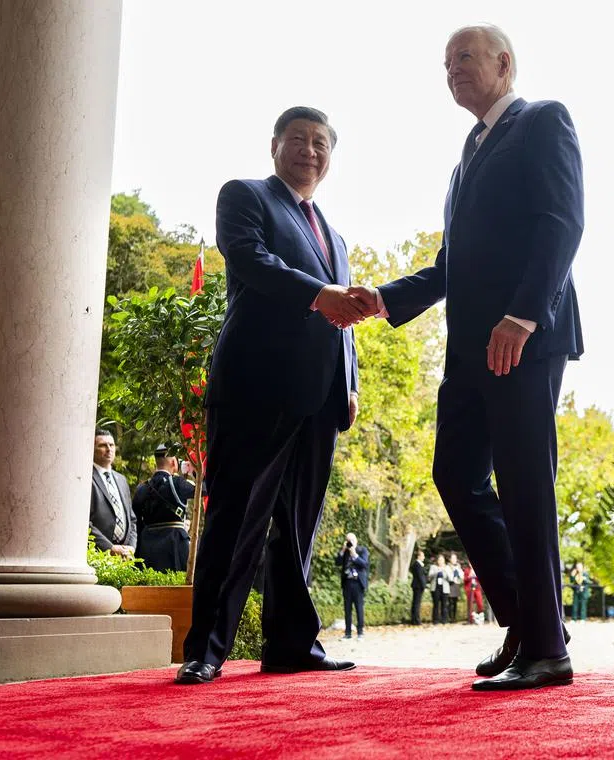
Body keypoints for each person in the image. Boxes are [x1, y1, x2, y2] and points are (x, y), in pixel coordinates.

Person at [352, 23, 584, 691]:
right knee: (455, 474)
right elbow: (450, 265)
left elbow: (562, 220)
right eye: (445, 62)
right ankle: (528, 620)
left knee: (525, 486)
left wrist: (523, 314)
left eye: (464, 58)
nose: (452, 69)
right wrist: (383, 298)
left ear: (505, 64)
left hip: (523, 339)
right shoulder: (466, 154)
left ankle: (547, 651)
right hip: (467, 350)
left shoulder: (542, 121)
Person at [176, 107, 367, 685]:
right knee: (235, 517)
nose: (310, 151)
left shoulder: (333, 233)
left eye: (321, 143)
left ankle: (290, 644)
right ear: (276, 145)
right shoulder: (245, 196)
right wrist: (321, 293)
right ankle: (205, 648)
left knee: (297, 527)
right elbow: (253, 263)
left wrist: (349, 381)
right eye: (299, 140)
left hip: (321, 398)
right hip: (256, 387)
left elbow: (345, 318)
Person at [132, 444, 196, 572]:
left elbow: (137, 522)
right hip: (175, 544)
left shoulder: (142, 488)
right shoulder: (177, 483)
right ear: (173, 462)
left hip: (148, 547)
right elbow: (205, 489)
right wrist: (193, 471)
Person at [89, 429, 136, 559]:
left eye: (111, 445)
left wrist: (131, 547)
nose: (109, 449)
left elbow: (132, 519)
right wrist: (109, 548)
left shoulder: (122, 480)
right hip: (98, 555)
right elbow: (84, 522)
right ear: (92, 449)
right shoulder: (85, 478)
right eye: (103, 445)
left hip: (124, 555)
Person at [337, 533, 370, 640]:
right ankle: (348, 633)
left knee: (359, 608)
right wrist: (342, 550)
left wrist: (354, 554)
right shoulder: (345, 552)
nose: (350, 542)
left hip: (358, 583)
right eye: (347, 540)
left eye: (351, 540)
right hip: (347, 583)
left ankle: (360, 633)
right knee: (347, 609)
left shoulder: (362, 550)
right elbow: (337, 562)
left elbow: (364, 564)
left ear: (356, 540)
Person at [429, 554, 450, 624]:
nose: (440, 561)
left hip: (444, 588)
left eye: (442, 560)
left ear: (444, 561)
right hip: (435, 588)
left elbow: (451, 578)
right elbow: (430, 576)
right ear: (437, 561)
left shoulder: (447, 567)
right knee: (436, 605)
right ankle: (435, 620)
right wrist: (437, 571)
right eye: (439, 560)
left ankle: (444, 620)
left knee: (444, 605)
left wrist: (445, 571)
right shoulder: (433, 567)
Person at [410, 549, 428, 625]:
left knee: (415, 602)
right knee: (417, 603)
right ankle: (416, 620)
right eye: (423, 555)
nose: (424, 557)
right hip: (418, 586)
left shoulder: (416, 564)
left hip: (416, 585)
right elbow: (420, 577)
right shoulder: (417, 565)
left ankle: (414, 619)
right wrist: (424, 586)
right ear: (419, 556)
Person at [446, 552, 464, 622]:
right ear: (450, 559)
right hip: (450, 584)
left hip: (456, 585)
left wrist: (458, 572)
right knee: (450, 602)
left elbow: (462, 576)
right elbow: (449, 576)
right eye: (452, 558)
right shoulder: (448, 566)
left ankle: (454, 617)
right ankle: (450, 617)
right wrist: (453, 573)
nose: (454, 560)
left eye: (455, 558)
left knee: (455, 602)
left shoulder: (458, 566)